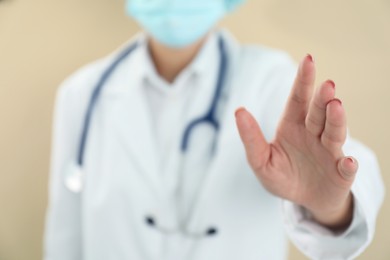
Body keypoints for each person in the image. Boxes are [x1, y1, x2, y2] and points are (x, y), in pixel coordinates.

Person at [44, 0, 385, 259]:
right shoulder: (82, 94)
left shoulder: (272, 81)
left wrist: (329, 207)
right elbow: (64, 240)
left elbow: (351, 167)